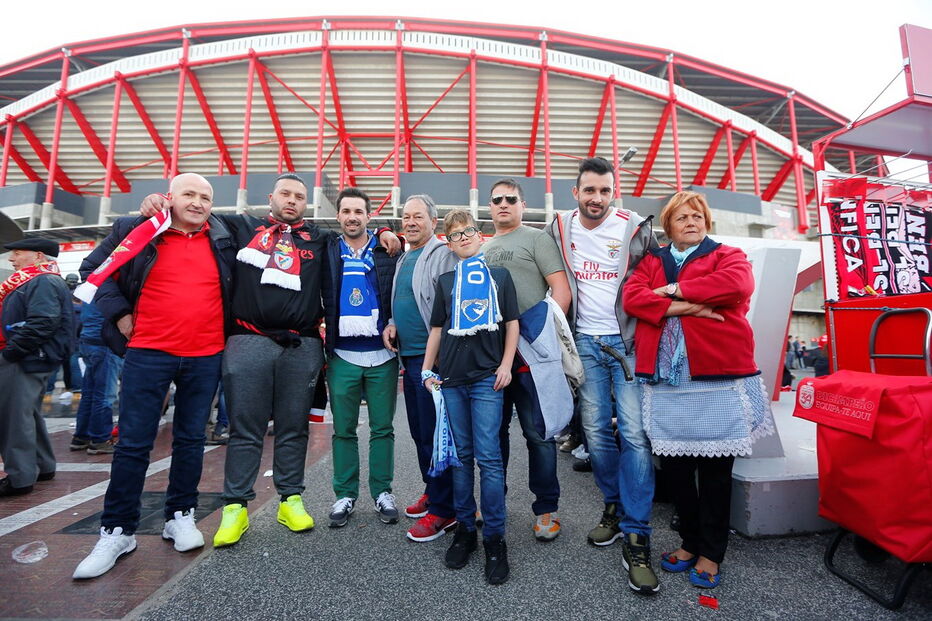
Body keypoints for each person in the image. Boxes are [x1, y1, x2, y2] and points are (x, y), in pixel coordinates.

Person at [136, 174, 400, 547]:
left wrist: (391, 231)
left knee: (294, 427)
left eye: (299, 196)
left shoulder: (318, 239)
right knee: (246, 428)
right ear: (270, 196)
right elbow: (192, 213)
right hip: (249, 340)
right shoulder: (241, 226)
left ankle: (290, 499)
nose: (292, 201)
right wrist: (156, 202)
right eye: (285, 194)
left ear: (307, 204)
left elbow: (357, 234)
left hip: (302, 344)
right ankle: (235, 507)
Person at [73, 173, 234, 579]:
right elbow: (93, 269)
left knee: (191, 439)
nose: (198, 203)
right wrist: (121, 314)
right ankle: (117, 530)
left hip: (205, 354)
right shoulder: (139, 229)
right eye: (189, 194)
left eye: (206, 197)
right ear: (170, 197)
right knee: (132, 444)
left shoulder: (224, 235)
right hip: (149, 351)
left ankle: (179, 514)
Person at [623, 190, 773, 590]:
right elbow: (633, 297)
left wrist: (672, 292)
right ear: (668, 226)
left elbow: (736, 285)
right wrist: (695, 305)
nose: (692, 221)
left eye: (697, 215)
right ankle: (690, 542)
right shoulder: (653, 259)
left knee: (716, 472)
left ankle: (712, 551)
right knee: (675, 469)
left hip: (717, 377)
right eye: (682, 217)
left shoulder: (728, 254)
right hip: (667, 381)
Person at [546, 156, 660, 594]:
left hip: (626, 344)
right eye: (589, 190)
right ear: (575, 193)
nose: (597, 199)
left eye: (605, 191)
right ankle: (613, 506)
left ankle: (637, 532)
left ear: (616, 193)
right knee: (594, 432)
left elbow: (654, 279)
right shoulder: (559, 227)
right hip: (586, 345)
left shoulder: (634, 226)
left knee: (634, 434)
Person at [422, 210, 519, 585]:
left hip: (486, 379)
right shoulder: (446, 281)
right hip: (451, 379)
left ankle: (494, 537)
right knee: (461, 459)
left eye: (469, 231)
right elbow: (437, 329)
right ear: (448, 241)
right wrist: (426, 369)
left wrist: (506, 364)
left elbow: (511, 323)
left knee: (489, 459)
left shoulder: (499, 277)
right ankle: (466, 530)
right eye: (455, 234)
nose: (463, 237)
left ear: (481, 235)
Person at [482, 178, 572, 542]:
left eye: (510, 199)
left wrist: (546, 339)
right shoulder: (483, 247)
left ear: (522, 204)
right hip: (491, 356)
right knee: (493, 434)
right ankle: (493, 503)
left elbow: (560, 291)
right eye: (497, 199)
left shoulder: (536, 238)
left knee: (539, 434)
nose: (503, 204)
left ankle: (546, 508)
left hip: (532, 355)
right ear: (489, 206)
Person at [322, 187, 401, 528]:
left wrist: (387, 230)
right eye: (346, 211)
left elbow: (402, 290)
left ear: (369, 216)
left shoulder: (387, 249)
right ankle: (345, 494)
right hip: (342, 355)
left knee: (383, 429)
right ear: (338, 216)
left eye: (359, 211)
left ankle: (382, 491)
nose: (352, 217)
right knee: (343, 430)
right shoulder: (327, 248)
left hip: (382, 355)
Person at [383, 194, 459, 541]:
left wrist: (441, 355)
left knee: (436, 435)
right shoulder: (404, 256)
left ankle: (446, 511)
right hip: (410, 357)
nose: (410, 222)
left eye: (417, 217)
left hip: (434, 362)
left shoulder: (442, 254)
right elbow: (404, 300)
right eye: (405, 217)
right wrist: (392, 322)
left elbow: (448, 305)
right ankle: (434, 489)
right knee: (419, 433)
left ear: (433, 220)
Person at [0, 238, 72, 496]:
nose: (12, 259)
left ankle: (20, 477)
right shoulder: (42, 279)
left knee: (13, 418)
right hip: (30, 356)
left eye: (18, 253)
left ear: (39, 256)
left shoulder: (41, 280)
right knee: (26, 413)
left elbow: (42, 322)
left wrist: (11, 352)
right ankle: (42, 466)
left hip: (24, 357)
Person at [70, 301, 121, 455]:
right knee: (105, 395)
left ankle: (81, 436)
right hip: (105, 342)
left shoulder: (92, 285)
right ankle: (100, 439)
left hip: (89, 339)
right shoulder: (109, 286)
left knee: (90, 393)